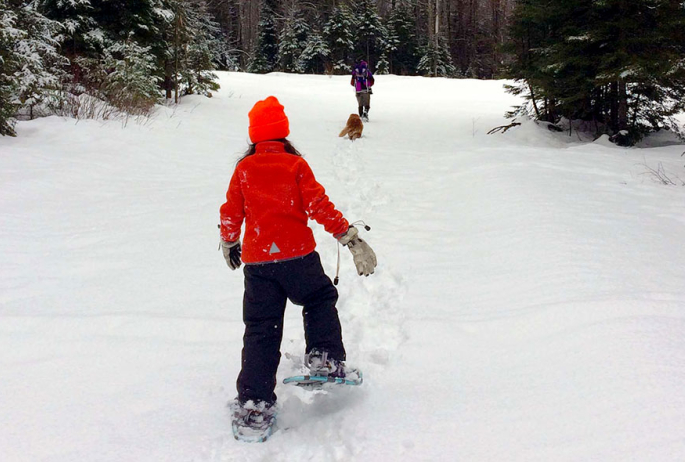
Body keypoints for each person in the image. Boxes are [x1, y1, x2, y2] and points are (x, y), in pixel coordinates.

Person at [219, 95, 377, 436]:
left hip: (260, 264)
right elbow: (319, 205)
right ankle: (324, 358)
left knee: (261, 328)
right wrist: (348, 236)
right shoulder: (295, 165)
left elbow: (231, 211)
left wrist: (230, 240)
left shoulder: (244, 169)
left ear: (255, 136)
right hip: (298, 259)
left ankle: (254, 405)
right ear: (283, 133)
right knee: (319, 299)